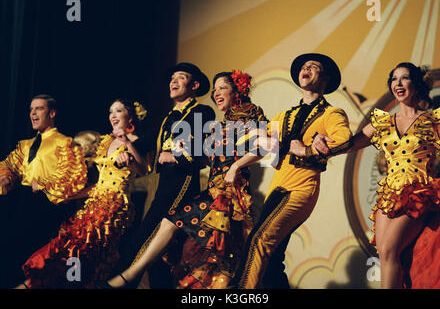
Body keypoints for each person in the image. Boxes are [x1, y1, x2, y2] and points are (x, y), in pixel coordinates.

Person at [104, 70, 267, 288]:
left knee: (230, 258)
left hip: (227, 194)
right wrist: (126, 145)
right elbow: (208, 157)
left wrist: (234, 165)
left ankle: (127, 277)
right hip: (212, 191)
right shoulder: (221, 124)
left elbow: (266, 146)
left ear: (236, 90)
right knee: (189, 250)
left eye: (222, 87)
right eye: (215, 89)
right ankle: (130, 276)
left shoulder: (240, 113)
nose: (216, 93)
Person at [310, 62, 440, 288]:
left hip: (418, 193)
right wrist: (321, 142)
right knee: (384, 255)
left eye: (404, 78)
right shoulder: (383, 123)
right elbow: (350, 144)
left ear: (416, 84)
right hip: (389, 195)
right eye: (394, 79)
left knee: (389, 249)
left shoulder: (433, 120)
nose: (399, 83)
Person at [227, 53, 352, 288]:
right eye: (304, 66)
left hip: (301, 189)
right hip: (278, 188)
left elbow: (345, 141)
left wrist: (306, 151)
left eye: (312, 66)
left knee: (259, 240)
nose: (306, 69)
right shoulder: (285, 116)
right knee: (273, 260)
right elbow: (264, 145)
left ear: (324, 78)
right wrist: (236, 164)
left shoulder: (332, 114)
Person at [16, 99, 149, 288]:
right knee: (79, 255)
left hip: (114, 204)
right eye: (110, 111)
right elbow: (94, 183)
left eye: (118, 110)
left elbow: (143, 169)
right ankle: (65, 283)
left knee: (75, 248)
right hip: (95, 201)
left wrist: (127, 143)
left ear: (130, 116)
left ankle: (43, 282)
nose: (113, 115)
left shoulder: (135, 141)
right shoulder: (106, 141)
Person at [111, 63, 216, 288]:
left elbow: (200, 145)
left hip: (182, 182)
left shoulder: (201, 111)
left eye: (180, 77)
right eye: (172, 78)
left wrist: (175, 154)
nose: (173, 82)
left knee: (144, 236)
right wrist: (124, 146)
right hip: (164, 183)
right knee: (165, 254)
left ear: (194, 85)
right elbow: (146, 143)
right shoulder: (168, 118)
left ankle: (117, 284)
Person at [0, 94, 88, 288]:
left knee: (37, 254)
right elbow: (9, 164)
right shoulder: (26, 145)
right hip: (22, 201)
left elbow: (74, 175)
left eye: (39, 108)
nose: (33, 113)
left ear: (52, 113)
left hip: (46, 205)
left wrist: (45, 184)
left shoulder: (64, 142)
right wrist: (6, 176)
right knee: (12, 249)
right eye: (31, 109)